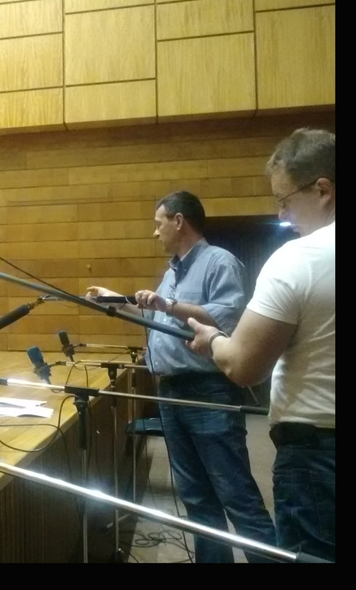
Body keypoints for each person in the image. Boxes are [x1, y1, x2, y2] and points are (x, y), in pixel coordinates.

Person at [86, 190, 276, 563]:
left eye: (158, 224)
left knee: (235, 494)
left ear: (178, 221)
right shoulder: (172, 271)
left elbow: (228, 316)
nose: (154, 232)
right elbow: (155, 317)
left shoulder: (219, 262)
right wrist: (115, 299)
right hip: (170, 393)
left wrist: (168, 304)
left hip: (207, 392)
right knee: (196, 497)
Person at [186, 128, 335, 561]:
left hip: (318, 455)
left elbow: (245, 366)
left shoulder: (300, 257)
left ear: (322, 190)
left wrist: (213, 339)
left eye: (284, 200)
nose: (281, 214)